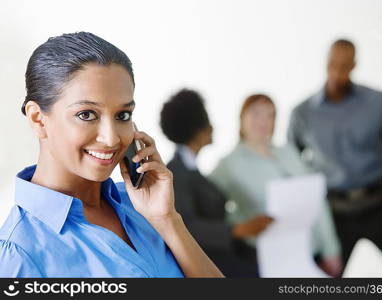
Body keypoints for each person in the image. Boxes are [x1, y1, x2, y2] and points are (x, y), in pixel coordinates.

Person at [0, 32, 223, 278]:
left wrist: (167, 219)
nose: (112, 138)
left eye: (122, 116)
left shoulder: (141, 207)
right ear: (38, 119)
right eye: (86, 114)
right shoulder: (20, 253)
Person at [287, 39, 382, 266]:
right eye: (333, 63)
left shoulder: (381, 102)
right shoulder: (302, 113)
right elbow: (289, 162)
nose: (337, 71)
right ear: (325, 62)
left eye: (345, 65)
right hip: (333, 213)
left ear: (354, 65)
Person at [210, 94, 342, 277]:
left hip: (314, 251)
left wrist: (331, 249)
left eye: (270, 115)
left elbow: (317, 199)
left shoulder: (288, 153)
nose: (264, 121)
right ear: (242, 118)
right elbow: (207, 210)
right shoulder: (228, 165)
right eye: (256, 114)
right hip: (271, 259)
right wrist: (240, 225)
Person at [160, 89, 273, 277]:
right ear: (197, 130)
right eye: (207, 121)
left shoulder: (192, 169)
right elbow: (187, 225)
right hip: (209, 261)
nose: (213, 127)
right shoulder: (175, 174)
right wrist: (239, 229)